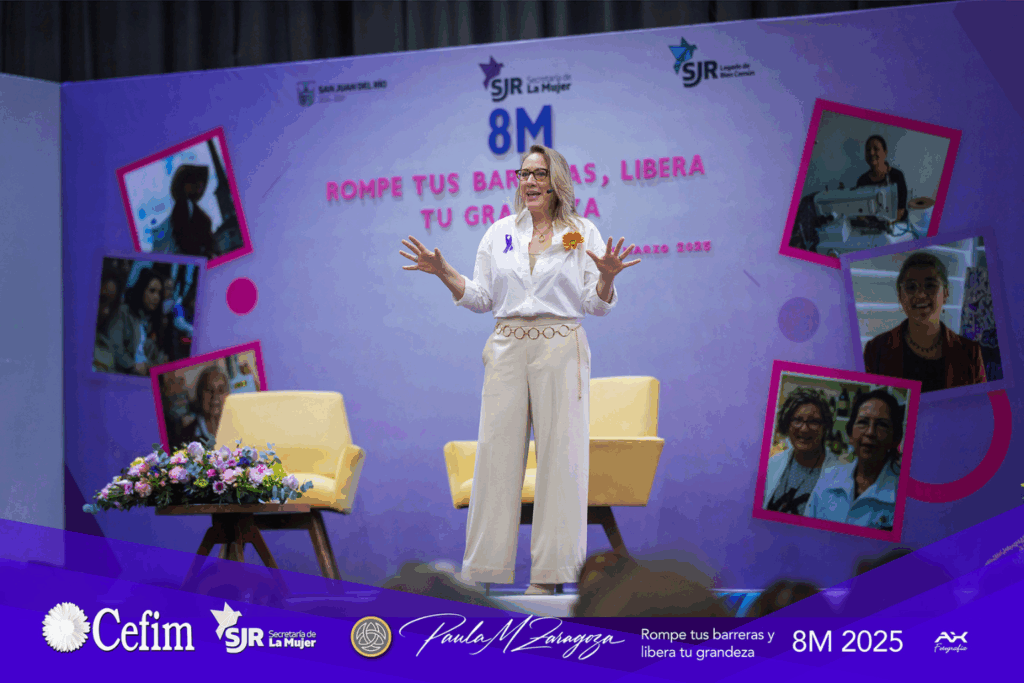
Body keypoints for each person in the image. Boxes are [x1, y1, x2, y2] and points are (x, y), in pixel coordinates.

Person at [399, 144, 640, 596]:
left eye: (539, 173)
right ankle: (482, 572)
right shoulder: (499, 233)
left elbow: (595, 305)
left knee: (561, 459)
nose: (529, 181)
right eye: (524, 173)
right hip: (506, 346)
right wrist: (443, 272)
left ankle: (549, 577)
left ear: (556, 182)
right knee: (495, 457)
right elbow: (482, 298)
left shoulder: (582, 233)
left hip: (560, 344)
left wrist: (608, 276)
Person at [863, 252, 986, 392]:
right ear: (900, 296)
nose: (920, 294)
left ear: (945, 294)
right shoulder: (876, 350)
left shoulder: (971, 354)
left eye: (930, 285)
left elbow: (981, 404)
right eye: (911, 287)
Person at [807, 390, 905, 530]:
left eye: (882, 425)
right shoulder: (828, 477)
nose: (870, 432)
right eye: (863, 422)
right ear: (850, 435)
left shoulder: (904, 493)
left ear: (895, 438)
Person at [763, 388, 842, 516]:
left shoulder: (840, 475)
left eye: (813, 421)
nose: (804, 429)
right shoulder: (773, 464)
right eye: (797, 420)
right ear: (787, 424)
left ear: (825, 427)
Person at [106, 268, 168, 376]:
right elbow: (115, 347)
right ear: (141, 290)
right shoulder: (123, 312)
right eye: (152, 291)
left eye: (159, 293)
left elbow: (153, 357)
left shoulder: (151, 321)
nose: (156, 297)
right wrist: (132, 366)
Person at [152, 164, 220, 258]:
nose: (199, 185)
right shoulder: (183, 204)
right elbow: (182, 236)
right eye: (193, 181)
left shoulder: (191, 206)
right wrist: (202, 254)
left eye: (200, 182)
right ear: (184, 184)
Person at [854, 134, 907, 222]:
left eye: (876, 149)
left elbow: (901, 210)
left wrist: (883, 225)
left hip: (897, 223)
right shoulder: (862, 181)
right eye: (868, 150)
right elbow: (860, 212)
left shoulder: (897, 175)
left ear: (885, 153)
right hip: (872, 226)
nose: (871, 153)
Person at [178, 365, 230, 449]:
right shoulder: (186, 435)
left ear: (228, 394)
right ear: (199, 393)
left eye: (220, 390)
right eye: (209, 389)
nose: (215, 395)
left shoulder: (238, 426)